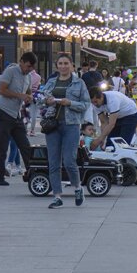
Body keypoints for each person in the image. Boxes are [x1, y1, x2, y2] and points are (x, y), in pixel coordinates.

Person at [41, 52, 91, 209]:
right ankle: (57, 196)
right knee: (53, 162)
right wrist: (47, 101)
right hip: (53, 124)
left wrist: (70, 103)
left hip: (71, 124)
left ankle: (77, 188)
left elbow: (86, 104)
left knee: (69, 160)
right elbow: (41, 100)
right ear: (57, 66)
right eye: (60, 63)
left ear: (71, 65)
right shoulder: (51, 82)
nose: (63, 66)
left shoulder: (79, 83)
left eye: (66, 63)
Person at [0, 52, 37, 186]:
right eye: (28, 66)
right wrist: (20, 96)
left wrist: (29, 96)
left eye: (31, 68)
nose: (29, 69)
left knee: (25, 145)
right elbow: (2, 90)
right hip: (4, 112)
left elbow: (28, 91)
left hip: (16, 115)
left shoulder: (28, 76)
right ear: (21, 61)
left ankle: (33, 173)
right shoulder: (10, 72)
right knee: (3, 146)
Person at [26, 64, 42, 135]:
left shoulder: (27, 75)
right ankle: (32, 130)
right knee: (34, 114)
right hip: (35, 96)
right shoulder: (38, 76)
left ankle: (25, 129)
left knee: (25, 113)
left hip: (26, 95)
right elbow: (39, 86)